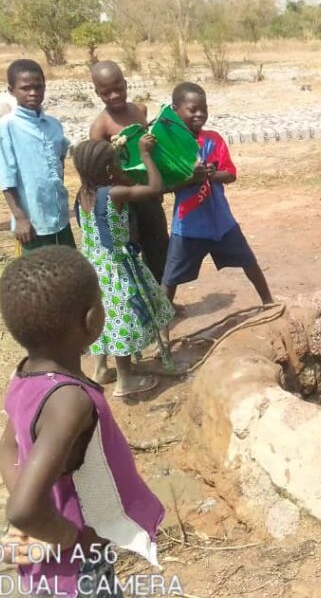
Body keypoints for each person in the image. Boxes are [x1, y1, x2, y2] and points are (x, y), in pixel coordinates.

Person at [0, 246, 164, 598]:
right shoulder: (69, 402)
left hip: (40, 555)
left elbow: (6, 447)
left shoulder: (24, 375)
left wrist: (33, 516)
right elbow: (22, 509)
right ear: (93, 320)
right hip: (76, 566)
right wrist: (69, 536)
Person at [72, 134, 172, 396]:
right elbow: (154, 189)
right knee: (121, 319)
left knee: (103, 318)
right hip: (117, 267)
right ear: (108, 170)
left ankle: (101, 369)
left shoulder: (83, 195)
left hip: (94, 267)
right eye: (117, 162)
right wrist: (145, 154)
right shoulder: (114, 193)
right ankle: (126, 380)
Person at [161, 82, 272, 313]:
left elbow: (230, 174)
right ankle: (163, 329)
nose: (200, 114)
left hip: (220, 220)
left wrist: (213, 174)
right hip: (188, 225)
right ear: (175, 110)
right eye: (193, 109)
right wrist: (192, 179)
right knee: (170, 278)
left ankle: (269, 302)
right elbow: (165, 185)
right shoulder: (169, 147)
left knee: (248, 261)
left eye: (204, 109)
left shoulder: (213, 140)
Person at [88, 60, 169, 283]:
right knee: (131, 251)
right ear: (97, 93)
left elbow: (152, 149)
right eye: (106, 92)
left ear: (125, 84)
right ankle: (140, 307)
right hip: (124, 200)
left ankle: (163, 301)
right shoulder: (100, 127)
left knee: (159, 245)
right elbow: (98, 171)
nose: (114, 95)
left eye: (118, 88)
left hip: (149, 193)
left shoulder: (139, 110)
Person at [0, 59, 73, 252]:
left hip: (60, 217)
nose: (33, 93)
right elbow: (6, 177)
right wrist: (20, 218)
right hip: (33, 223)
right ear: (11, 90)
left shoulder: (53, 125)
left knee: (69, 273)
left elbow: (60, 160)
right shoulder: (7, 127)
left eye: (38, 87)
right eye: (25, 88)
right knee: (39, 277)